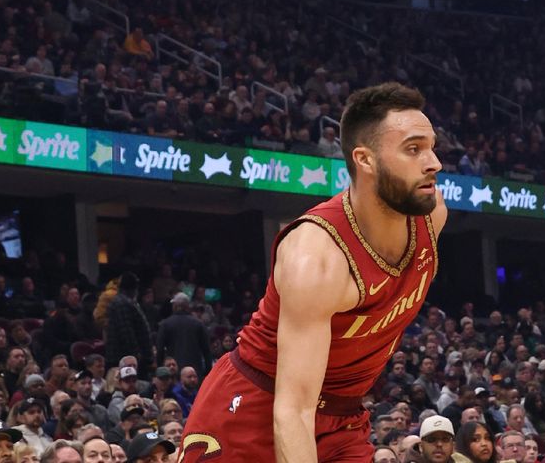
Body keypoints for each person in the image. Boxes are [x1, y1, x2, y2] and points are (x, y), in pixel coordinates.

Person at [180, 83, 447, 462]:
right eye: (414, 149)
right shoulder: (317, 258)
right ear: (365, 160)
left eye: (432, 147)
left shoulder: (432, 215)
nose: (433, 162)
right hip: (255, 409)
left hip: (342, 415)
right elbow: (292, 411)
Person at [105, 275, 153, 374]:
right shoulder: (122, 303)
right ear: (133, 288)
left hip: (129, 355)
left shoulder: (126, 301)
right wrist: (135, 354)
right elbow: (126, 332)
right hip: (124, 356)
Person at [155, 294, 211, 378]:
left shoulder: (166, 324)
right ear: (187, 306)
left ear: (175, 306)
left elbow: (160, 349)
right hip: (194, 372)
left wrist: (160, 369)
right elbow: (206, 350)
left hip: (172, 370)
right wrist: (207, 371)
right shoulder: (198, 324)